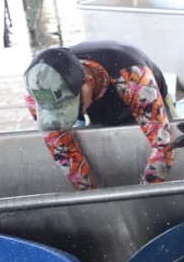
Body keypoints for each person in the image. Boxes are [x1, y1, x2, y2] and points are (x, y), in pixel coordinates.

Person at [23, 41, 176, 190]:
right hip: (96, 110)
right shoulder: (38, 91)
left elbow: (163, 145)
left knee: (175, 145)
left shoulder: (133, 78)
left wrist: (140, 198)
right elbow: (63, 151)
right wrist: (94, 200)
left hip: (149, 101)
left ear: (87, 82)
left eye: (70, 106)